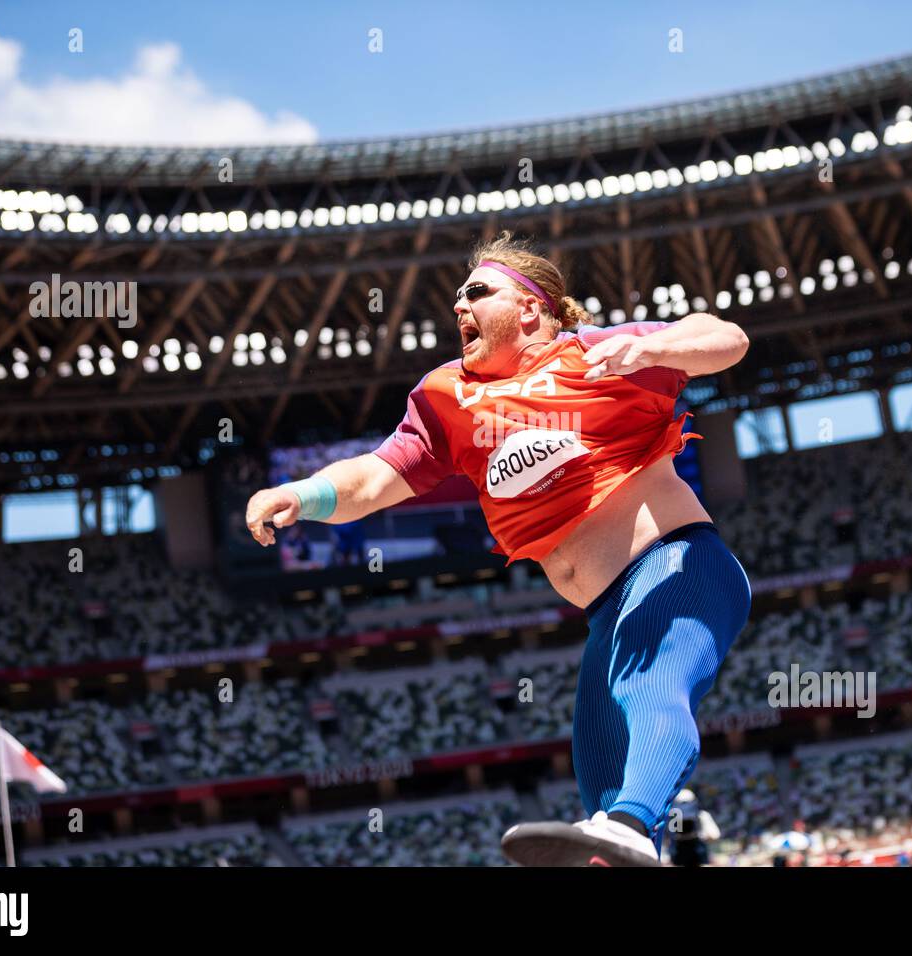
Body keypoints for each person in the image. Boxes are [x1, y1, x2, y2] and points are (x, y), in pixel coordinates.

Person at [245, 231, 752, 866]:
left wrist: (650, 346)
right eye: (457, 296)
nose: (459, 305)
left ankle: (629, 824)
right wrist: (306, 493)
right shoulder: (446, 397)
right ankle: (622, 837)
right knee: (598, 769)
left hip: (680, 566)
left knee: (649, 693)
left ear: (533, 309)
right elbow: (374, 480)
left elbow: (727, 339)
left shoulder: (594, 354)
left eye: (478, 292)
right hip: (605, 613)